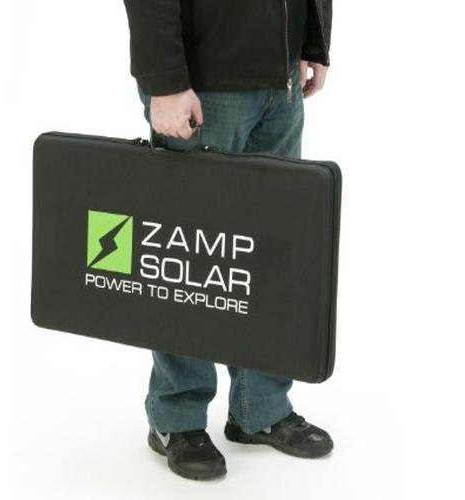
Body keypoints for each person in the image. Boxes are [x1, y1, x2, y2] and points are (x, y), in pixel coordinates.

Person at [123, 0, 334, 480]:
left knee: (271, 253)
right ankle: (177, 418)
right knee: (191, 258)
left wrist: (313, 39)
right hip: (204, 84)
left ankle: (260, 410)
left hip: (280, 82)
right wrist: (165, 81)